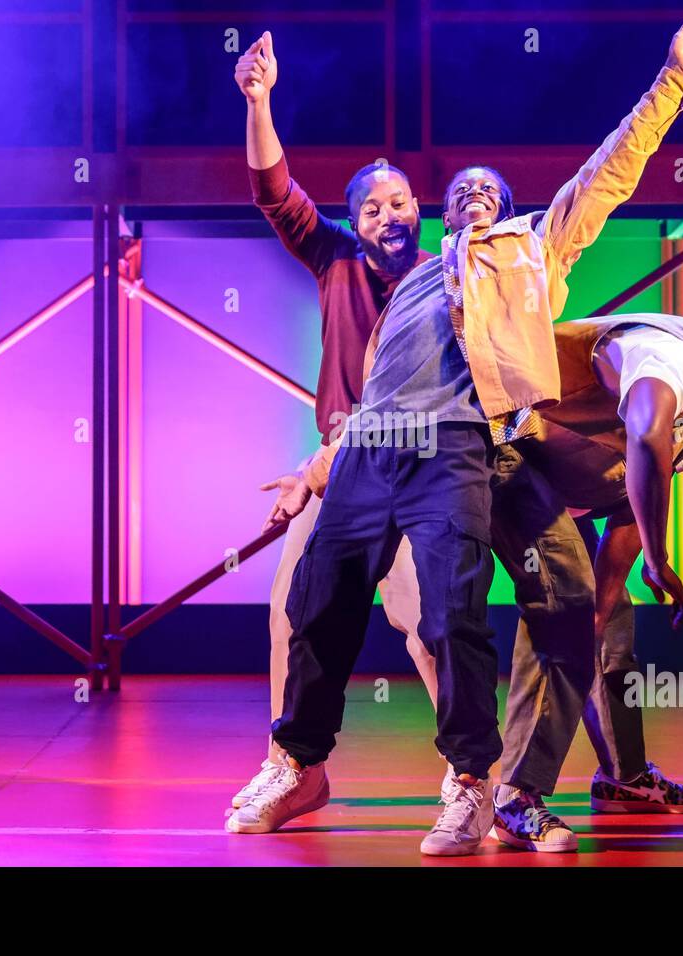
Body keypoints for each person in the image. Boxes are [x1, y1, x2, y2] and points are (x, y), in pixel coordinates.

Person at [229, 20, 683, 857]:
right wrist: (314, 465)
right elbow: (373, 395)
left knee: (488, 609)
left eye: (487, 190)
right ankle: (299, 761)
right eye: (458, 191)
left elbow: (607, 174)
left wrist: (672, 81)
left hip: (479, 446)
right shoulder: (405, 279)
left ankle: (494, 786)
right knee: (319, 598)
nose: (472, 194)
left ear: (508, 210)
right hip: (379, 448)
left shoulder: (530, 248)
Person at [487, 300, 683, 852]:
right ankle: (515, 795)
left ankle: (624, 779)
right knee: (566, 610)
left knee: (605, 623)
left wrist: (607, 604)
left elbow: (631, 505)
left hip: (559, 489)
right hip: (501, 451)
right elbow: (647, 435)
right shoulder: (673, 354)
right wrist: (659, 560)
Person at [228, 31, 440, 812]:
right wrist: (259, 101)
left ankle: (472, 775)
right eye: (374, 206)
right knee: (293, 612)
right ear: (355, 220)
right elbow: (274, 190)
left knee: (433, 625)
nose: (391, 213)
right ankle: (295, 767)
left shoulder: (445, 283)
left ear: (420, 214)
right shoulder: (335, 258)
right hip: (338, 470)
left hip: (416, 472)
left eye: (402, 202)